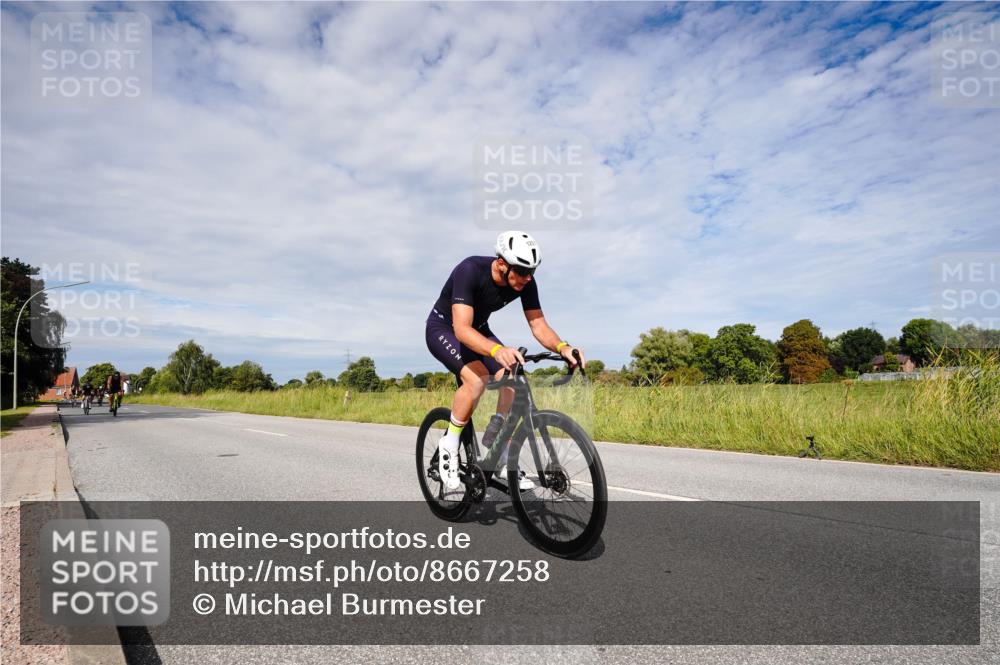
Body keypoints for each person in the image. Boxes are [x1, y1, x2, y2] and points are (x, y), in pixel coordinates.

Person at [425, 231, 584, 493]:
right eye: (522, 270)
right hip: (445, 329)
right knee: (476, 381)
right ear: (501, 262)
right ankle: (448, 448)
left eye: (532, 270)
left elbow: (538, 324)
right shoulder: (470, 270)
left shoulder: (525, 282)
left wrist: (563, 347)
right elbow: (462, 330)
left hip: (479, 328)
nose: (527, 277)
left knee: (513, 378)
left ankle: (497, 445)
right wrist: (497, 349)